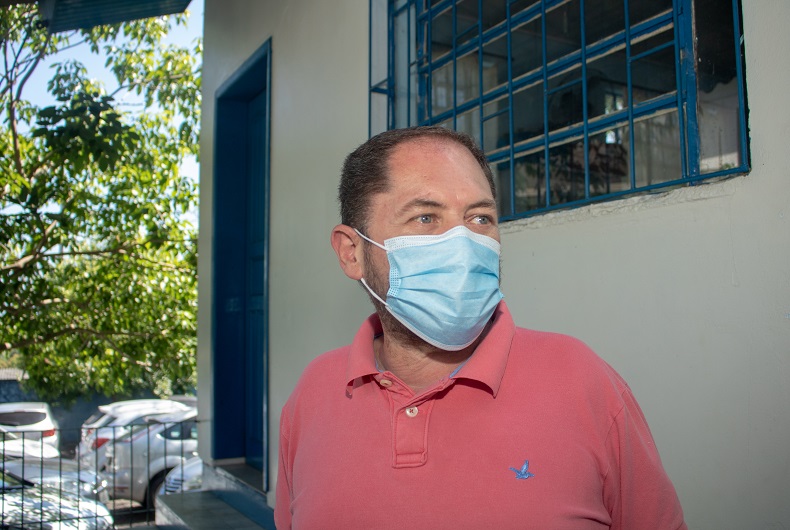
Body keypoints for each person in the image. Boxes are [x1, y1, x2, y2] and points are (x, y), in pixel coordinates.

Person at [274, 126, 686, 529]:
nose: (463, 244)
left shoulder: (583, 382)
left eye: (480, 218)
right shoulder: (312, 395)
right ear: (352, 252)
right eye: (425, 217)